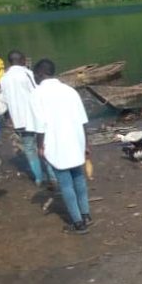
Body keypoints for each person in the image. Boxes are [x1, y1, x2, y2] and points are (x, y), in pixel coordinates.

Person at [30, 59, 92, 234]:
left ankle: (78, 223)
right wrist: (86, 143)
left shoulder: (37, 94)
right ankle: (86, 214)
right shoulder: (69, 90)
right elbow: (83, 120)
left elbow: (39, 125)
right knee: (78, 177)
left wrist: (40, 146)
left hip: (56, 142)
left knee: (65, 183)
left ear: (40, 74)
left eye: (35, 74)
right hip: (75, 139)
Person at [0, 51, 55, 187]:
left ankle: (38, 178)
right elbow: (37, 90)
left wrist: (9, 118)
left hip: (18, 120)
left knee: (29, 148)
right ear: (23, 60)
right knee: (43, 145)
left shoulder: (4, 78)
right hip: (35, 116)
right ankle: (52, 176)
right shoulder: (27, 73)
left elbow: (3, 101)